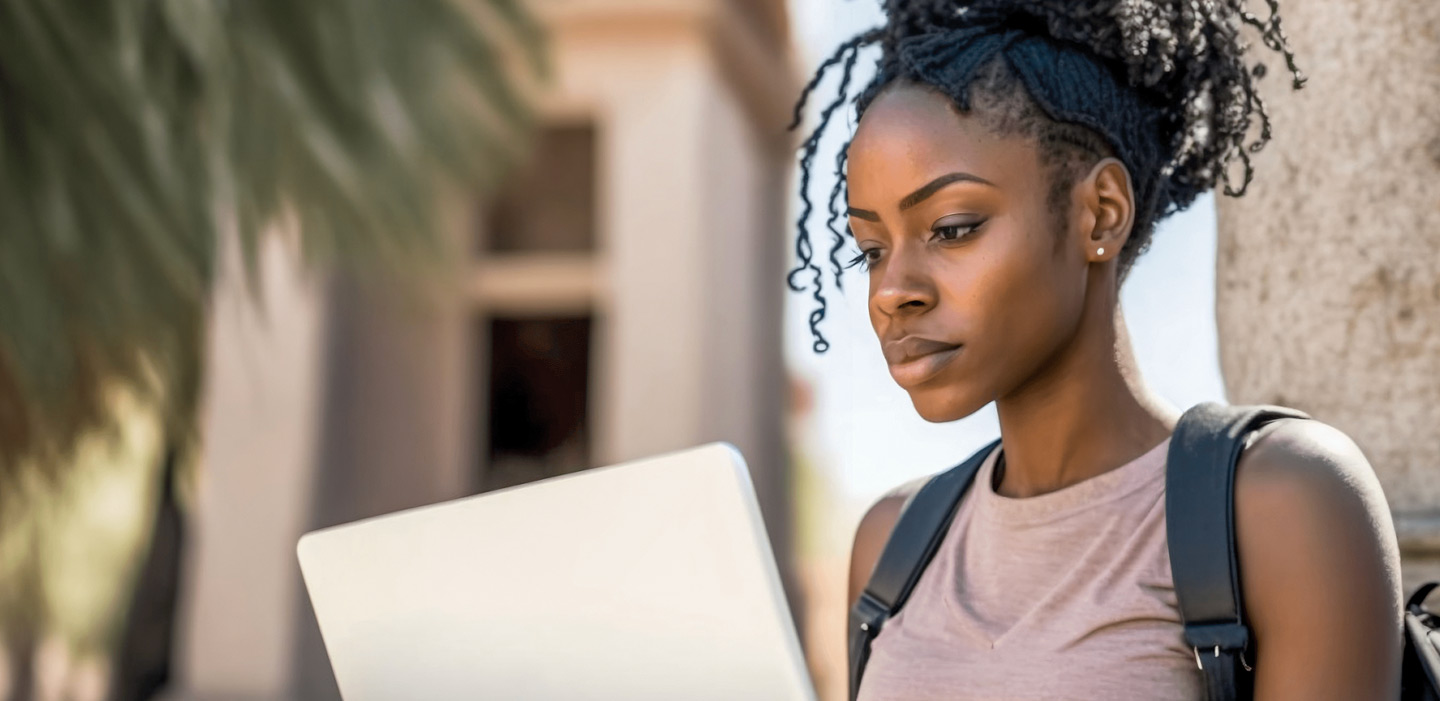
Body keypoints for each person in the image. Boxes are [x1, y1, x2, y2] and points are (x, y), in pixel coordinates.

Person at [788, 1, 1403, 698]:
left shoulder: (1281, 503)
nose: (892, 291)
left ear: (1100, 213)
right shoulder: (891, 548)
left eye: (953, 228)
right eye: (872, 249)